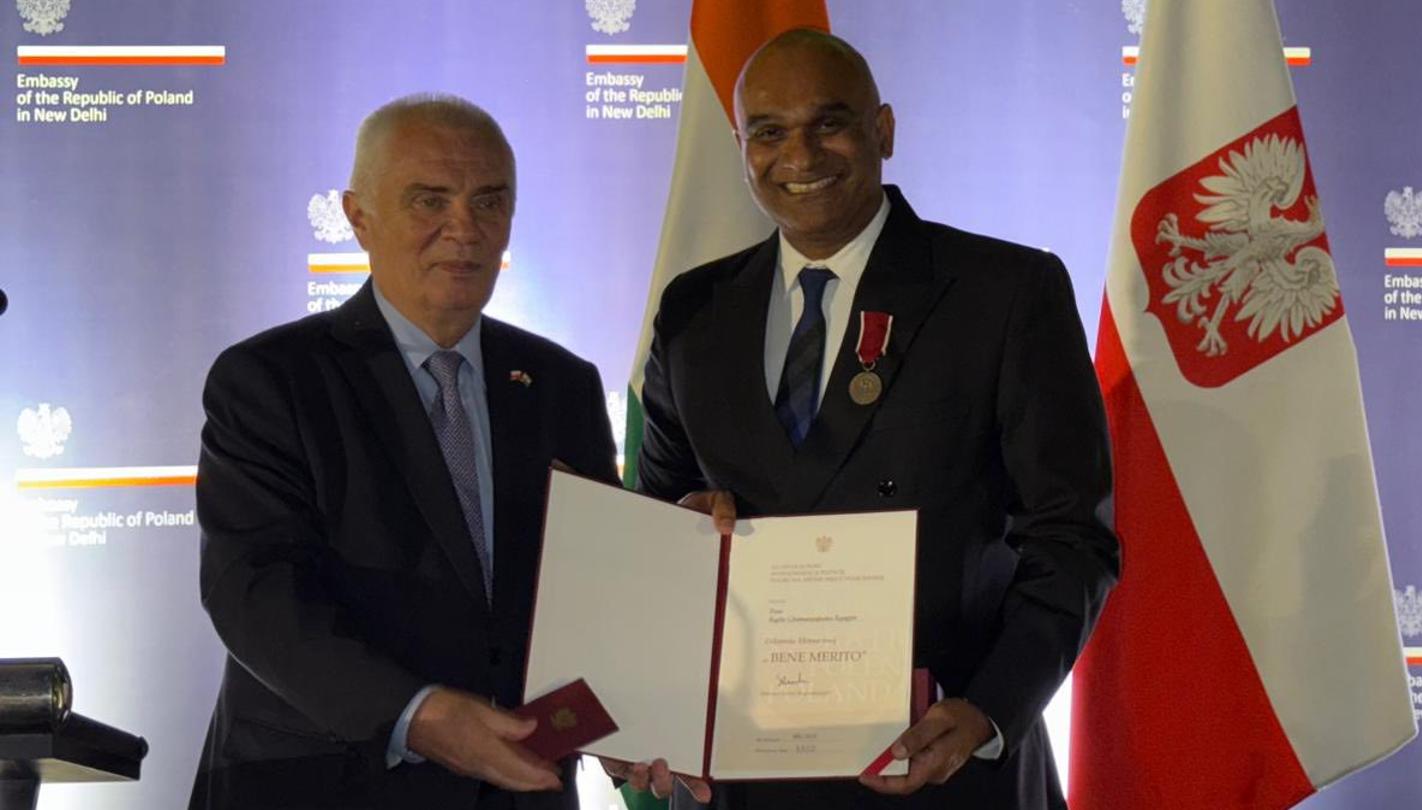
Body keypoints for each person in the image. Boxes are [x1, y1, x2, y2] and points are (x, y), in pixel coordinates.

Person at [627, 29, 1120, 809]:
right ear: (740, 147)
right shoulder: (695, 310)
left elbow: (1072, 536)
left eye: (829, 123)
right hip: (746, 780)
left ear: (882, 130)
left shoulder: (1005, 292)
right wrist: (683, 530)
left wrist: (989, 710)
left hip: (946, 768)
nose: (800, 155)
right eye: (768, 132)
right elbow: (655, 519)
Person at [189, 94, 626, 809]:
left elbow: (599, 590)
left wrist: (643, 720)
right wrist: (420, 716)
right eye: (430, 200)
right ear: (358, 216)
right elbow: (253, 594)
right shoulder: (271, 380)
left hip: (519, 791)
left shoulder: (562, 384)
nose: (465, 229)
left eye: (490, 201)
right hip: (320, 787)